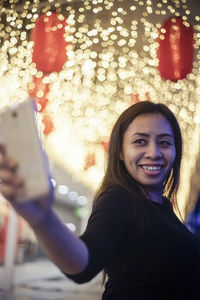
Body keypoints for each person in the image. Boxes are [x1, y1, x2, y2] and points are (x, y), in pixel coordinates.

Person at [0, 101, 200, 300]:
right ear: (120, 151)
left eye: (164, 142)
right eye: (140, 141)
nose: (154, 153)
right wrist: (43, 220)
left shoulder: (162, 205)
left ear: (176, 151)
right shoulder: (119, 199)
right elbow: (83, 263)